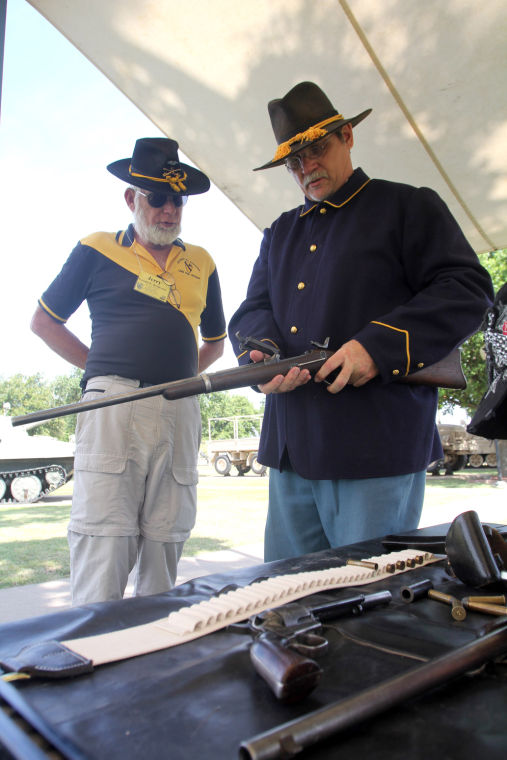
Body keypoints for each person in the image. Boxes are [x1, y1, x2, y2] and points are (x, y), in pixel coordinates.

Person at [229, 81, 494, 562]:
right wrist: (260, 352)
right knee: (286, 607)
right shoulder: (280, 232)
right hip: (290, 448)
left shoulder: (408, 207)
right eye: (294, 161)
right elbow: (252, 310)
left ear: (347, 136)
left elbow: (467, 288)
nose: (306, 167)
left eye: (317, 149)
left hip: (375, 447)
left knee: (366, 606)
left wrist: (377, 347)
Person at [32, 137, 226, 604]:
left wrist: (177, 383)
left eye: (176, 199)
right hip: (112, 407)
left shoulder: (202, 261)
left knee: (166, 540)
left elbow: (216, 344)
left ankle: (153, 656)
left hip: (180, 411)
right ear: (130, 198)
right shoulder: (96, 247)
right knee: (104, 538)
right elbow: (43, 321)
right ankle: (89, 655)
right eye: (156, 197)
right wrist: (102, 373)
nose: (168, 210)